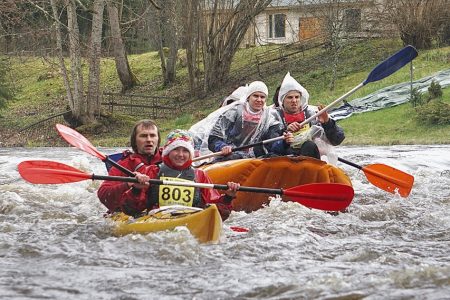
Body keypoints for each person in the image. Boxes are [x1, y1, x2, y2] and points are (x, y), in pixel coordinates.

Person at [119, 129, 240, 221]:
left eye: (185, 150)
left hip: (190, 220)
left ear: (190, 154)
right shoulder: (152, 172)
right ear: (168, 151)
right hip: (155, 220)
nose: (181, 154)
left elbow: (218, 214)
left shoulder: (200, 175)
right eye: (176, 149)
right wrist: (136, 189)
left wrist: (228, 197)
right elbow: (131, 210)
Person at [271, 72, 345, 159]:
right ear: (282, 101)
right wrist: (285, 136)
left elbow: (337, 140)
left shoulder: (312, 113)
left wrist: (327, 123)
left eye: (297, 97)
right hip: (287, 160)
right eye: (290, 97)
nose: (294, 101)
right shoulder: (274, 116)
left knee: (309, 146)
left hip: (311, 155)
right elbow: (271, 147)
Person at [97, 119, 163, 213]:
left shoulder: (171, 158)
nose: (149, 140)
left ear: (158, 139)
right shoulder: (124, 164)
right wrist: (129, 184)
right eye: (143, 136)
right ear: (135, 141)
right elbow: (103, 194)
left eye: (152, 135)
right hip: (135, 212)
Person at [208, 80, 283, 161]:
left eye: (262, 97)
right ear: (248, 97)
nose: (259, 99)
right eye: (255, 96)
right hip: (231, 156)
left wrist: (285, 141)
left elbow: (274, 142)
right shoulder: (233, 112)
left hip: (257, 158)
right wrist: (222, 146)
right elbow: (213, 138)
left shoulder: (271, 117)